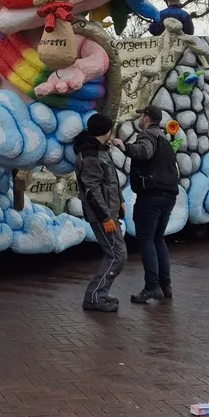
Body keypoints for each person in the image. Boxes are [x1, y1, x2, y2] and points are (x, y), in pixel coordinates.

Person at [111, 105, 179, 304]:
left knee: (146, 239)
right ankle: (165, 285)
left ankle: (151, 286)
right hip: (168, 196)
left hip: (151, 196)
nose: (139, 118)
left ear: (147, 118)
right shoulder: (164, 140)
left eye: (141, 115)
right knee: (158, 239)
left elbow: (144, 152)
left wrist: (124, 146)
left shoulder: (147, 136)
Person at [73, 113, 126, 312]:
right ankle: (94, 297)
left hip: (110, 211)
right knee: (116, 255)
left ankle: (99, 294)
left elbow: (110, 180)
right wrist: (105, 217)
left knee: (116, 254)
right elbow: (92, 189)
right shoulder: (90, 154)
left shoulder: (101, 150)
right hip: (102, 215)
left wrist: (120, 201)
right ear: (107, 130)